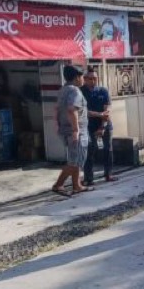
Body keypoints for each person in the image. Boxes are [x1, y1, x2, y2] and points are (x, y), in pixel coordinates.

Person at [51, 65, 91, 196]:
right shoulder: (75, 91)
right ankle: (58, 185)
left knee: (76, 159)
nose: (83, 79)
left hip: (66, 129)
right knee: (75, 161)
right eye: (82, 77)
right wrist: (76, 130)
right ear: (76, 77)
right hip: (76, 131)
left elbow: (56, 109)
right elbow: (71, 109)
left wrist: (57, 124)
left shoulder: (63, 89)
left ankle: (77, 185)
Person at [81, 67, 116, 186]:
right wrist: (99, 114)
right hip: (89, 125)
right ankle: (88, 178)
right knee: (90, 149)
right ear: (85, 79)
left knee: (108, 149)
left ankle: (108, 174)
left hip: (105, 124)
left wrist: (102, 126)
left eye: (95, 78)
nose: (93, 81)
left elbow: (107, 110)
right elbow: (84, 111)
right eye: (90, 79)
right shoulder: (81, 92)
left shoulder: (103, 91)